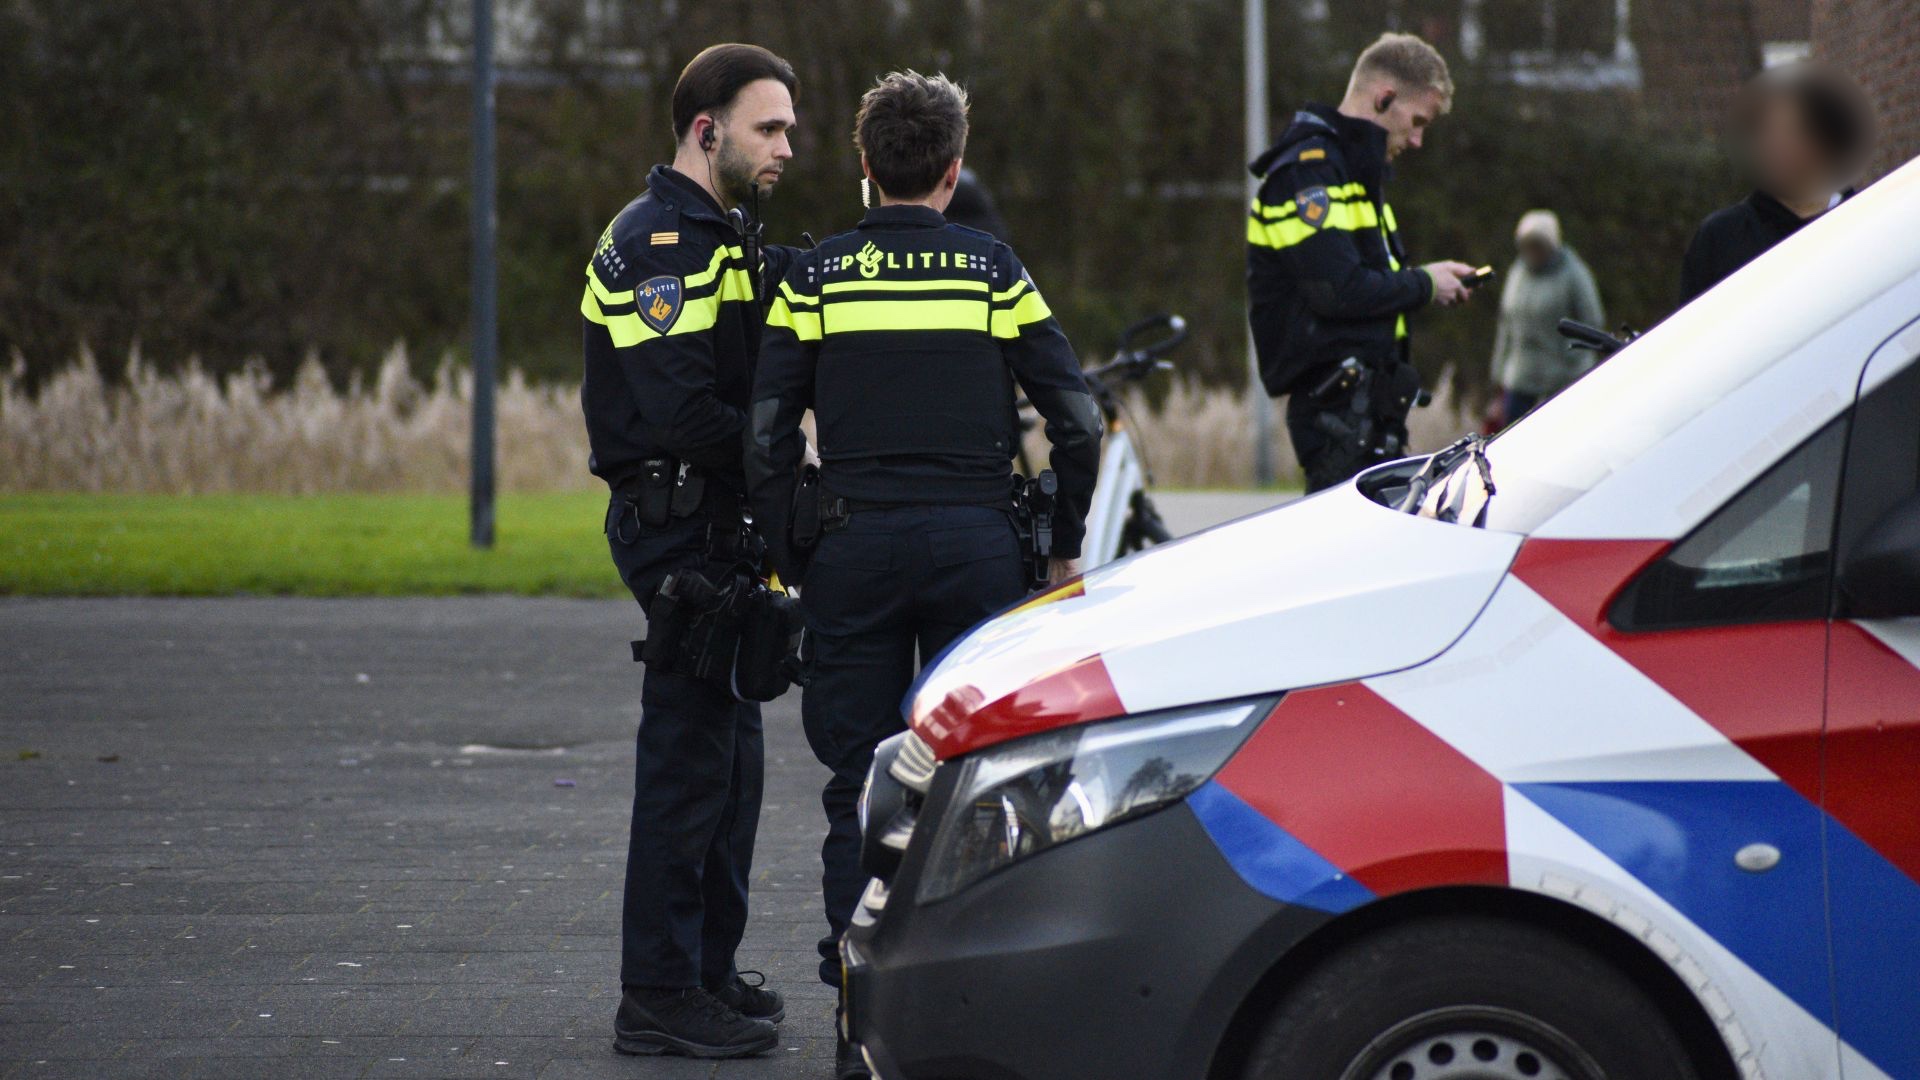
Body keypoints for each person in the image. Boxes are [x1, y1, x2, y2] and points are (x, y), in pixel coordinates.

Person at [744, 70, 1101, 1080]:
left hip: (852, 546)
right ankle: (970, 1007)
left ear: (863, 168)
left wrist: (793, 548)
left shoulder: (813, 278)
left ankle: (856, 1006)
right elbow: (1075, 420)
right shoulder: (993, 271)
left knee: (858, 780)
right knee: (979, 778)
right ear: (953, 170)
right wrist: (1066, 538)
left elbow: (768, 434)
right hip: (980, 545)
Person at [577, 42, 797, 1060]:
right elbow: (678, 409)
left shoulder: (721, 231)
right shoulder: (661, 240)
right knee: (687, 759)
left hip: (714, 519)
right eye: (770, 127)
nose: (788, 145)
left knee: (731, 757)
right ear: (707, 130)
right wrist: (784, 460)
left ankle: (704, 969)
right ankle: (657, 990)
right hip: (675, 523)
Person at [1246, 32, 1479, 493]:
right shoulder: (1308, 172)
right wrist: (1426, 284)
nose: (1416, 141)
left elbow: (1371, 281)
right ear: (1384, 97)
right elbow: (1338, 291)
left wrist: (1429, 280)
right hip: (1337, 413)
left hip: (1367, 408)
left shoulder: (1352, 172)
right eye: (1416, 121)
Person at [1680, 61, 1874, 304]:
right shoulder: (1721, 238)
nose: (1774, 146)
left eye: (1791, 131)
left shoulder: (1868, 228)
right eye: (1766, 132)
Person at [1488, 209, 1606, 426]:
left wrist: (1568, 356)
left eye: (1537, 245)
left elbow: (1592, 322)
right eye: (1527, 245)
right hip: (1521, 379)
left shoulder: (1574, 274)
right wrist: (1499, 376)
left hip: (1563, 380)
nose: (1532, 252)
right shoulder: (1517, 274)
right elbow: (1506, 325)